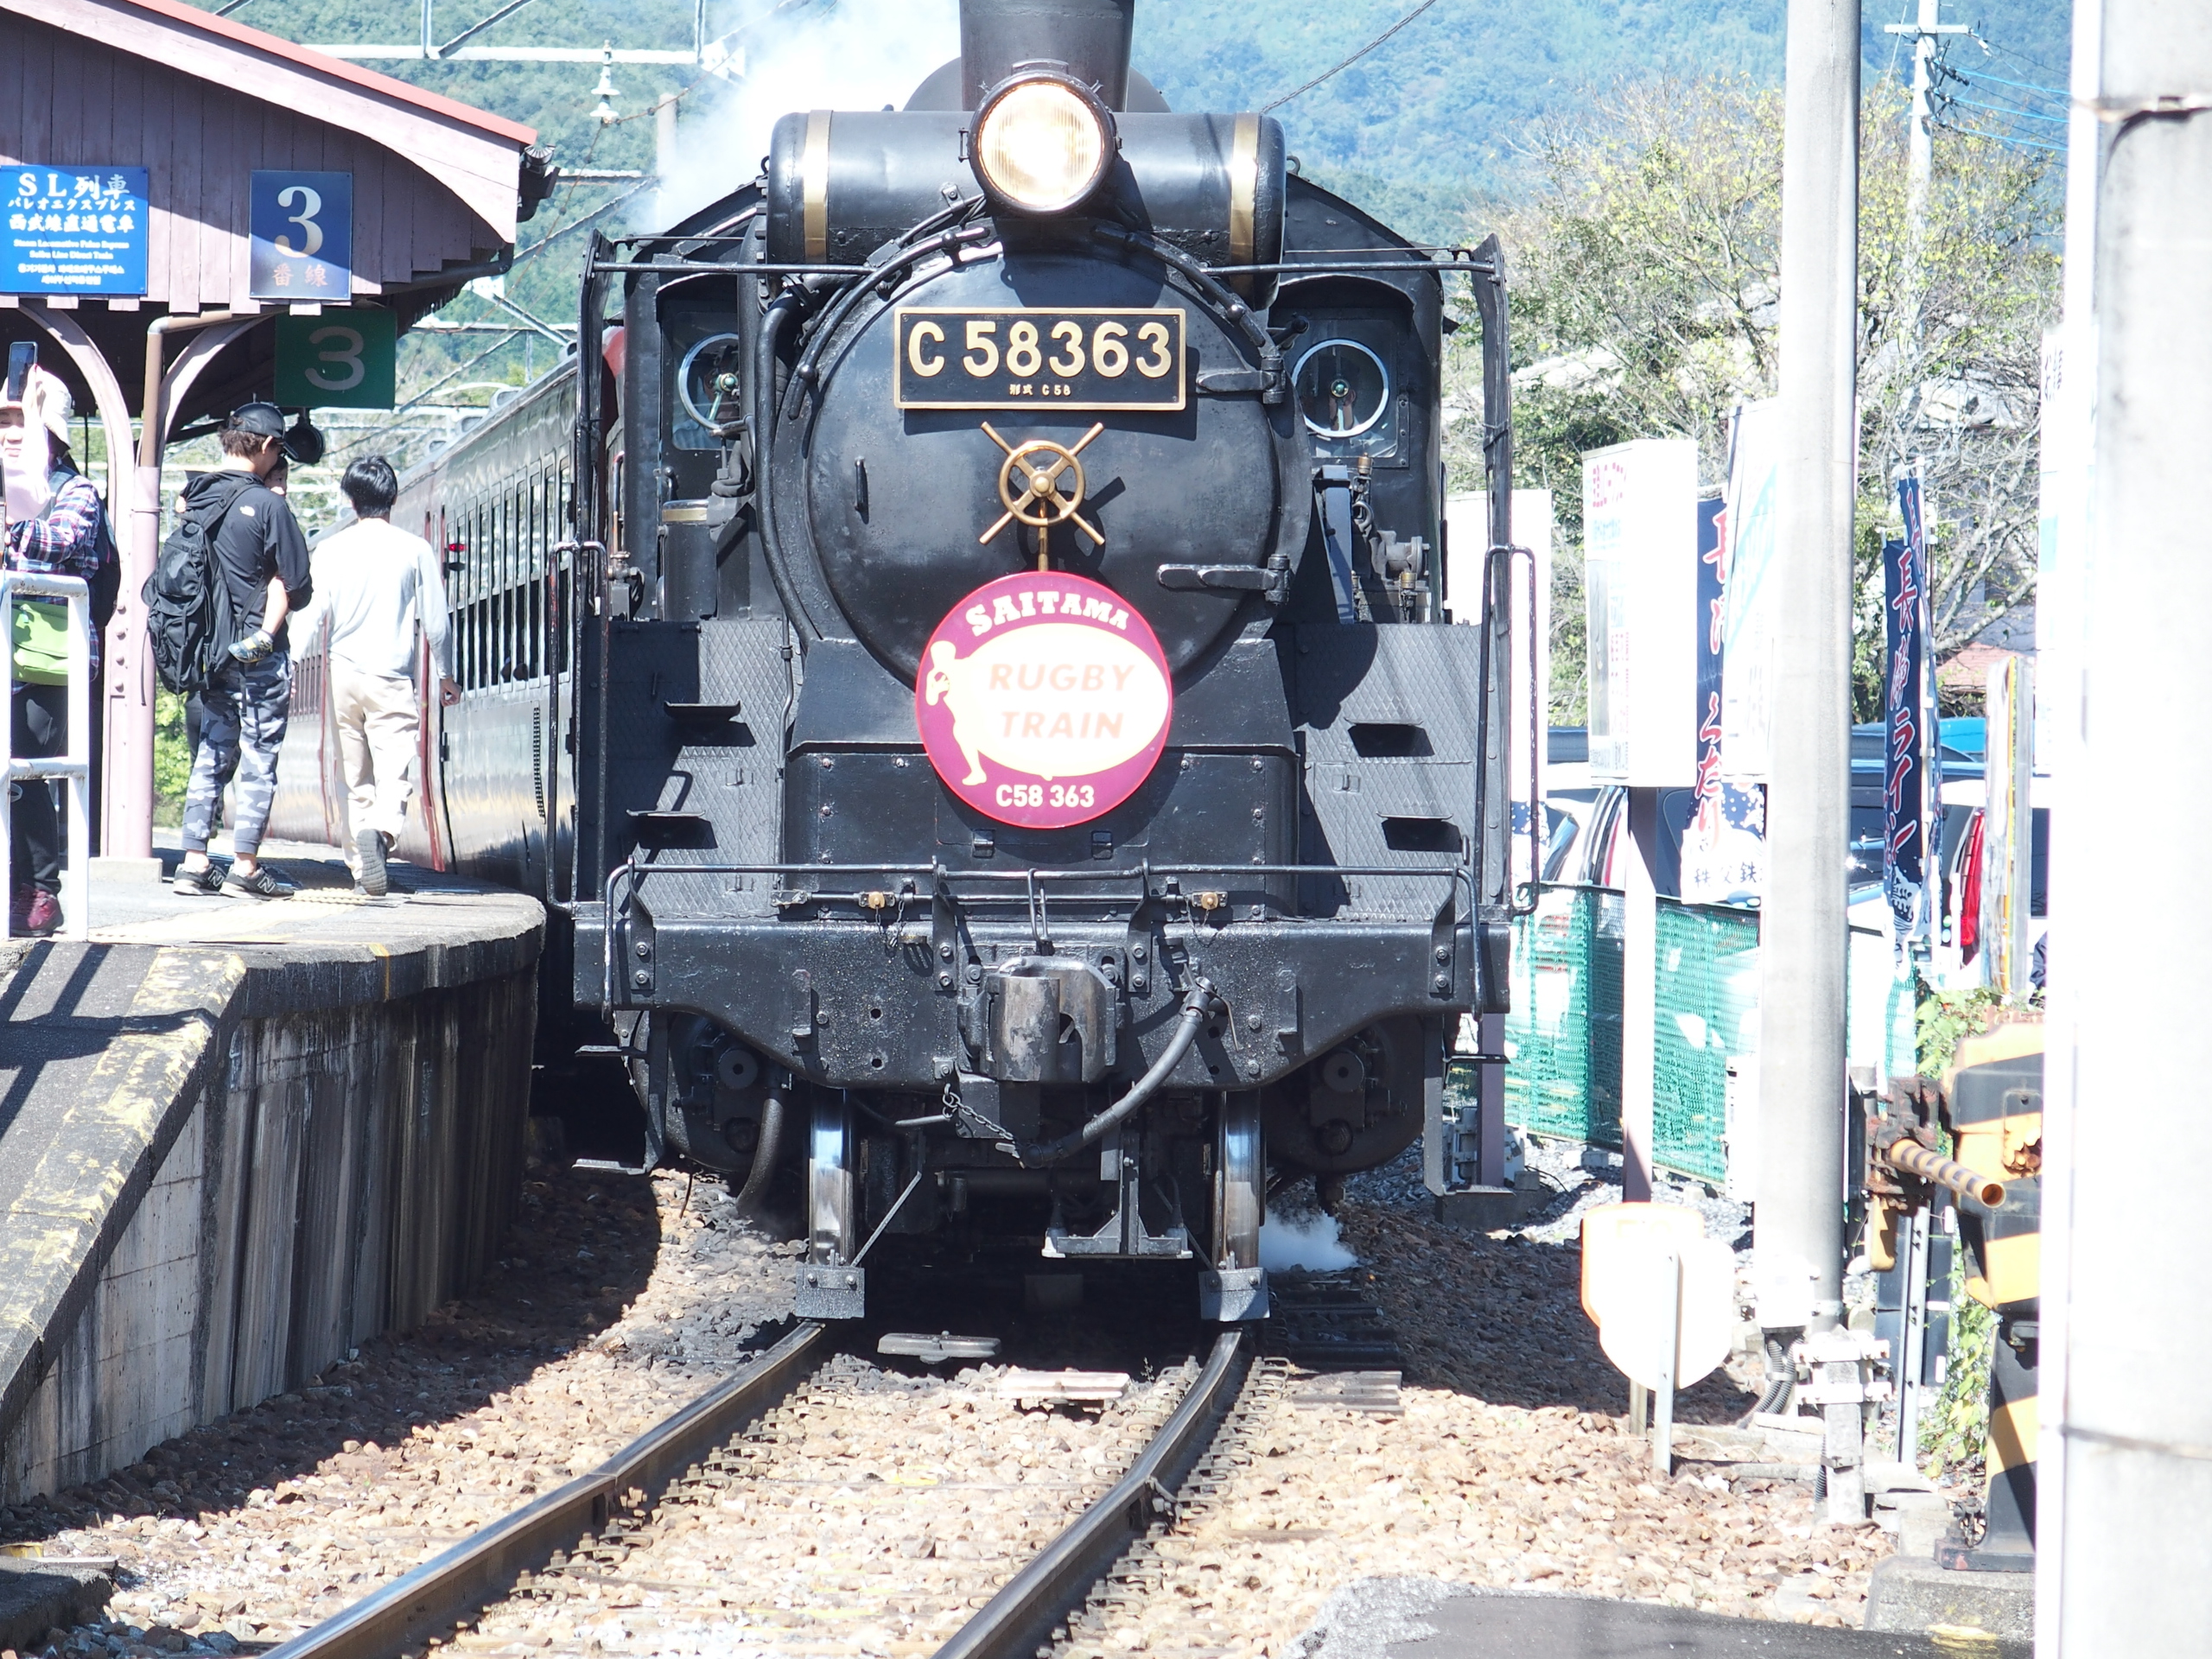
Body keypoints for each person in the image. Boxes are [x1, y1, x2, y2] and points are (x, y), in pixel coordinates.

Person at [173, 404, 312, 900]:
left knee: (211, 753)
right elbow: (299, 585)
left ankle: (193, 862)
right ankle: (245, 866)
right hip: (258, 654)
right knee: (258, 756)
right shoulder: (269, 507)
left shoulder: (195, 497)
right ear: (269, 446)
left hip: (210, 654)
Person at [303, 455, 454, 896]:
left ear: (351, 500)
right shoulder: (414, 549)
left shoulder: (331, 549)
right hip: (390, 676)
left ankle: (360, 870)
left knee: (353, 776)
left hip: (343, 673)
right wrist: (446, 675)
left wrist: (289, 662)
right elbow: (436, 623)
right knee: (393, 770)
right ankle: (383, 833)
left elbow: (311, 612)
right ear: (393, 497)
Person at [1, 357, 108, 937]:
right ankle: (17, 882)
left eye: (21, 419)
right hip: (7, 651)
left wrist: (10, 521)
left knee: (25, 765)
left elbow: (59, 542)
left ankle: (41, 889)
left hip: (48, 659)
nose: (10, 432)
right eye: (3, 420)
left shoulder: (78, 491)